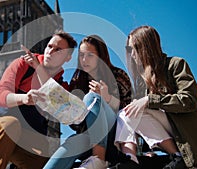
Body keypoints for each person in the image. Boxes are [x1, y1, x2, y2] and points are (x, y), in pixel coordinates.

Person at [114, 25, 197, 169]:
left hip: (194, 141)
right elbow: (147, 123)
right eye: (129, 50)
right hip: (173, 136)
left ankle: (177, 156)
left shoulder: (175, 65)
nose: (132, 55)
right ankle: (132, 159)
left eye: (135, 49)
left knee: (137, 108)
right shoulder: (142, 83)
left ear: (146, 46)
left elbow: (189, 100)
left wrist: (149, 100)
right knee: (125, 113)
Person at [0, 30, 77, 169]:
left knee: (47, 163)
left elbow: (68, 114)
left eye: (58, 50)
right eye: (50, 46)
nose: (51, 51)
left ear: (68, 57)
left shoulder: (61, 86)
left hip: (30, 138)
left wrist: (39, 70)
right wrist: (24, 98)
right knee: (10, 124)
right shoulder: (23, 64)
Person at [43, 35, 132, 169]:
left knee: (92, 97)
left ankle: (98, 159)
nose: (84, 60)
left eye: (90, 55)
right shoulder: (77, 82)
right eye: (81, 55)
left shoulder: (118, 76)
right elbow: (77, 127)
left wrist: (107, 98)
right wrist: (67, 112)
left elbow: (129, 111)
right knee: (72, 141)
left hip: (114, 134)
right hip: (88, 137)